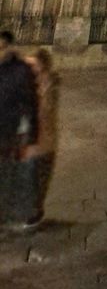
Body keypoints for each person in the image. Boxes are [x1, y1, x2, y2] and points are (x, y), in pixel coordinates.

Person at [0, 31, 38, 229]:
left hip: (11, 131)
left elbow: (29, 102)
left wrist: (30, 133)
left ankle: (23, 211)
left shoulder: (19, 69)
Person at [21, 49, 60, 227]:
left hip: (42, 143)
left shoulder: (48, 86)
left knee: (36, 177)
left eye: (33, 65)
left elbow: (45, 112)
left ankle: (33, 212)